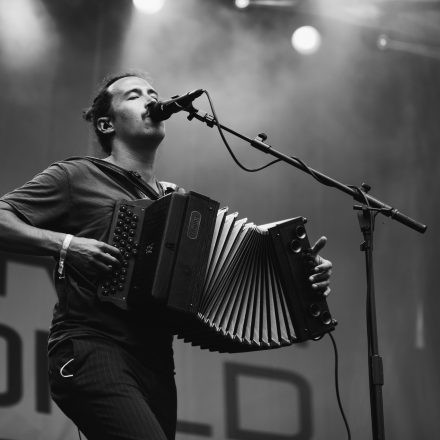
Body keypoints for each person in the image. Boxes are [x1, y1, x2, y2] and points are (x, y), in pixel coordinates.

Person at [0, 71, 333, 440]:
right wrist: (66, 245)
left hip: (156, 365)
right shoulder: (76, 175)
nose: (149, 99)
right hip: (92, 348)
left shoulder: (176, 202)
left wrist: (298, 276)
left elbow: (226, 279)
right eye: (133, 95)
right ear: (106, 124)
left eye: (152, 92)